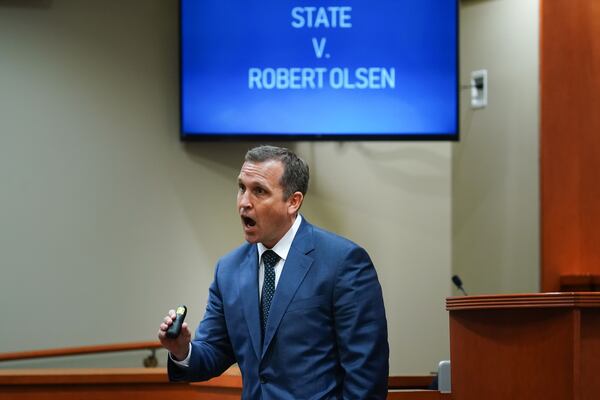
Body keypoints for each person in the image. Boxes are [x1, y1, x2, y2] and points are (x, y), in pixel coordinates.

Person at [158, 145, 389, 399]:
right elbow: (213, 351)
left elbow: (366, 374)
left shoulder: (343, 262)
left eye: (259, 191)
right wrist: (182, 350)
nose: (244, 202)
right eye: (241, 188)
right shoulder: (229, 270)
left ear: (293, 201)